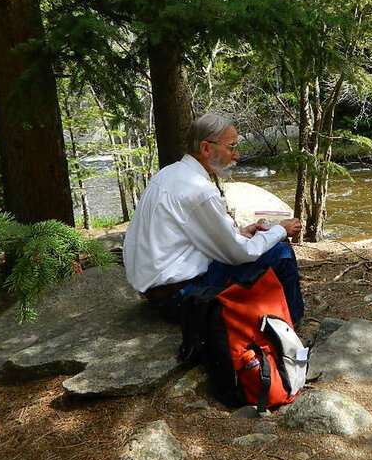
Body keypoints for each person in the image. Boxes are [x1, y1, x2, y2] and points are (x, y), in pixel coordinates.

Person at [123, 113, 304, 325]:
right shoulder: (199, 190)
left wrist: (238, 234)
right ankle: (292, 325)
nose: (236, 156)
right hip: (180, 296)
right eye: (231, 147)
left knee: (261, 248)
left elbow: (187, 236)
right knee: (282, 254)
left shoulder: (168, 174)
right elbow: (241, 254)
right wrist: (281, 230)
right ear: (206, 148)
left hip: (156, 291)